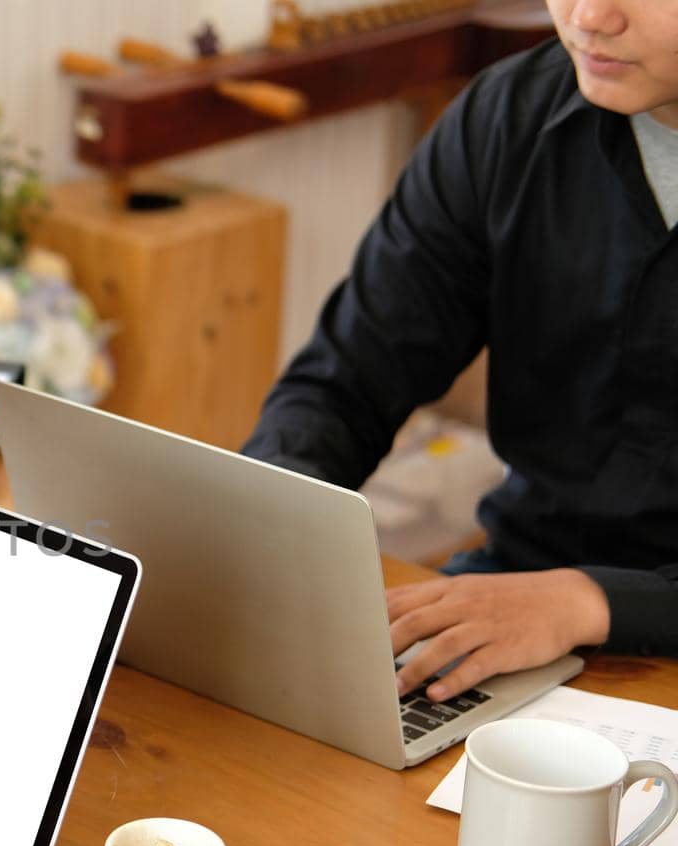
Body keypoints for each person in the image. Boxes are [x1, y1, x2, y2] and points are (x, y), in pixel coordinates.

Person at [242, 0, 678, 705]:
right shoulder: (507, 118)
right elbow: (348, 376)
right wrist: (263, 519)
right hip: (509, 597)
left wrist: (587, 601)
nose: (590, 15)